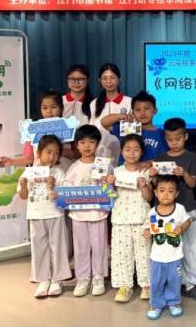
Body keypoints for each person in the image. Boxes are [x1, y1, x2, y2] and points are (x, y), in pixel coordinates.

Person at [155, 117, 196, 301]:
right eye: (169, 139)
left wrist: (184, 173)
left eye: (177, 138)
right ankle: (172, 283)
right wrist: (153, 175)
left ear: (185, 137)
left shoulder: (192, 157)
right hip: (164, 211)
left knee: (191, 246)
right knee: (168, 246)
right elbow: (156, 186)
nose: (174, 142)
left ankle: (191, 284)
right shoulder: (161, 158)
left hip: (187, 208)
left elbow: (192, 184)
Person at [17, 134, 71, 298]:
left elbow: (64, 197)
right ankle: (43, 279)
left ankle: (57, 279)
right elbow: (23, 196)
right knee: (39, 247)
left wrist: (54, 189)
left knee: (57, 246)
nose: (52, 157)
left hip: (55, 214)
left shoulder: (59, 172)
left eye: (56, 153)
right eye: (48, 152)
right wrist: (24, 185)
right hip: (36, 215)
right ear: (39, 152)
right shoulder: (29, 172)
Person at [63, 125, 110, 297]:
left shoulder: (103, 165)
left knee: (99, 247)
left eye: (91, 142)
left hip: (98, 214)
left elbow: (109, 191)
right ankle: (82, 278)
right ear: (76, 145)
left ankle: (98, 277)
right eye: (82, 142)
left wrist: (107, 183)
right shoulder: (74, 167)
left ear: (97, 144)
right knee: (81, 247)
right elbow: (66, 190)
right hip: (78, 216)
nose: (87, 146)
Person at [107, 134, 152, 303]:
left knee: (144, 253)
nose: (132, 153)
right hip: (120, 219)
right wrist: (109, 184)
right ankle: (124, 286)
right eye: (127, 149)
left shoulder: (145, 171)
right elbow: (109, 196)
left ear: (142, 152)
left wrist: (144, 185)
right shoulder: (116, 171)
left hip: (141, 218)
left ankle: (147, 285)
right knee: (122, 254)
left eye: (136, 150)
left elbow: (149, 198)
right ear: (121, 151)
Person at [144, 175, 192, 320]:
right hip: (157, 257)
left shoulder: (179, 209)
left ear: (176, 194)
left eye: (170, 191)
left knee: (174, 281)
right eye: (162, 190)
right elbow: (147, 226)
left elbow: (188, 221)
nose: (166, 194)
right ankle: (156, 304)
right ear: (156, 193)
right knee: (156, 282)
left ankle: (174, 302)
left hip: (174, 256)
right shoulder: (152, 212)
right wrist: (146, 232)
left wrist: (181, 228)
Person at [0, 89, 63, 168]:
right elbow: (29, 157)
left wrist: (56, 151)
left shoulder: (70, 128)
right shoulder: (33, 129)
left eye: (53, 107)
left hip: (64, 171)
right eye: (44, 108)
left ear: (61, 108)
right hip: (39, 173)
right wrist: (11, 161)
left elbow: (75, 153)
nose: (49, 111)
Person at [89, 63, 132, 161]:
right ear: (99, 80)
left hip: (124, 154)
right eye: (104, 78)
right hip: (99, 154)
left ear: (119, 79)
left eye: (112, 77)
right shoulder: (94, 103)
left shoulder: (129, 102)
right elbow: (92, 130)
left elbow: (132, 131)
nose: (108, 81)